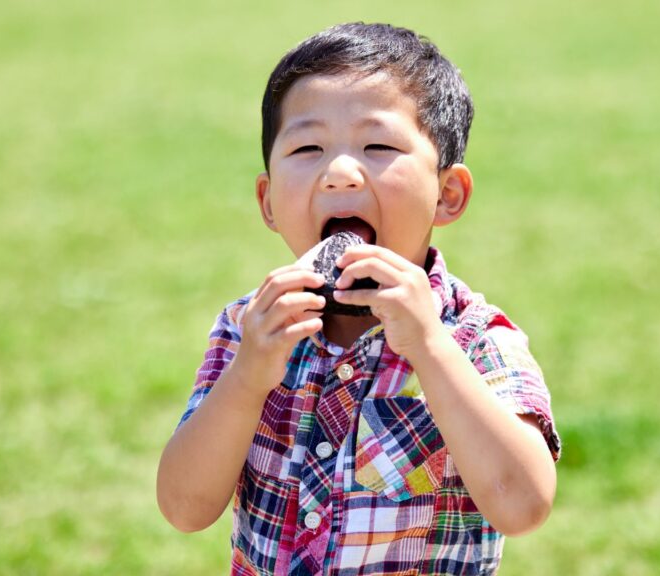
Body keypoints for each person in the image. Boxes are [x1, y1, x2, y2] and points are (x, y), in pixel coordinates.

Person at [156, 22, 561, 575]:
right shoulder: (247, 329)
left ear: (447, 194)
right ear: (268, 199)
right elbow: (183, 507)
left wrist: (430, 347)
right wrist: (249, 374)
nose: (340, 173)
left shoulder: (475, 338)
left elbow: (523, 505)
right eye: (307, 147)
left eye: (378, 145)